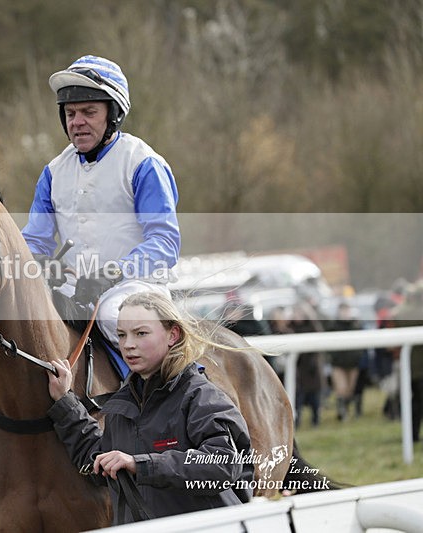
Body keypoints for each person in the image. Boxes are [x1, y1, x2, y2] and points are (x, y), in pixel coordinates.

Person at [46, 292, 253, 523]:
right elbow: (98, 460)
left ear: (172, 335)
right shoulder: (122, 405)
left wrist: (140, 464)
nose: (128, 345)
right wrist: (65, 401)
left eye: (141, 333)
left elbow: (223, 464)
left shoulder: (202, 396)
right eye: (122, 335)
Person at [22, 55, 180, 350]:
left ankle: (175, 391)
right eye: (70, 114)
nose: (77, 122)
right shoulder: (53, 172)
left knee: (113, 318)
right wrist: (41, 264)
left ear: (113, 114)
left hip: (136, 288)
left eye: (88, 112)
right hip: (74, 288)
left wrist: (113, 273)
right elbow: (33, 241)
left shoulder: (143, 163)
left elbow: (165, 242)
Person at [389, 281, 423, 443]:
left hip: (407, 366)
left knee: (412, 402)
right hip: (417, 366)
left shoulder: (399, 312)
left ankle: (412, 435)